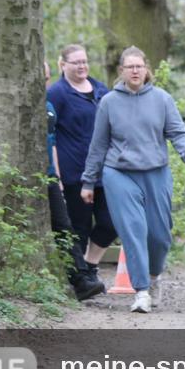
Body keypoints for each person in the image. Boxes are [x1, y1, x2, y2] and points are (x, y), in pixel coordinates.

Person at [80, 47, 185, 313]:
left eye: (139, 66)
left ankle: (154, 277)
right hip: (118, 173)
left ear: (146, 70)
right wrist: (88, 181)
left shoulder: (162, 99)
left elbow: (178, 133)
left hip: (156, 172)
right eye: (129, 67)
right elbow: (98, 145)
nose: (135, 71)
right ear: (121, 71)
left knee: (159, 236)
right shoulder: (109, 102)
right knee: (133, 230)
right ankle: (141, 292)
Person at [47, 44, 118, 285]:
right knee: (79, 229)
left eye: (84, 61)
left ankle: (90, 265)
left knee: (112, 223)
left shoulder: (101, 90)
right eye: (76, 62)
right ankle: (79, 280)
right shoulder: (57, 93)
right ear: (63, 65)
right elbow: (50, 135)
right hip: (74, 172)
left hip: (105, 172)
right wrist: (56, 174)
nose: (81, 66)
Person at [45, 62, 105, 301]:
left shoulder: (48, 106)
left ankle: (82, 276)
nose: (45, 82)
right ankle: (80, 279)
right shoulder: (56, 97)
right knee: (66, 227)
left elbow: (53, 143)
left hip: (52, 174)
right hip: (46, 176)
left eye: (47, 77)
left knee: (66, 226)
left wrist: (56, 176)